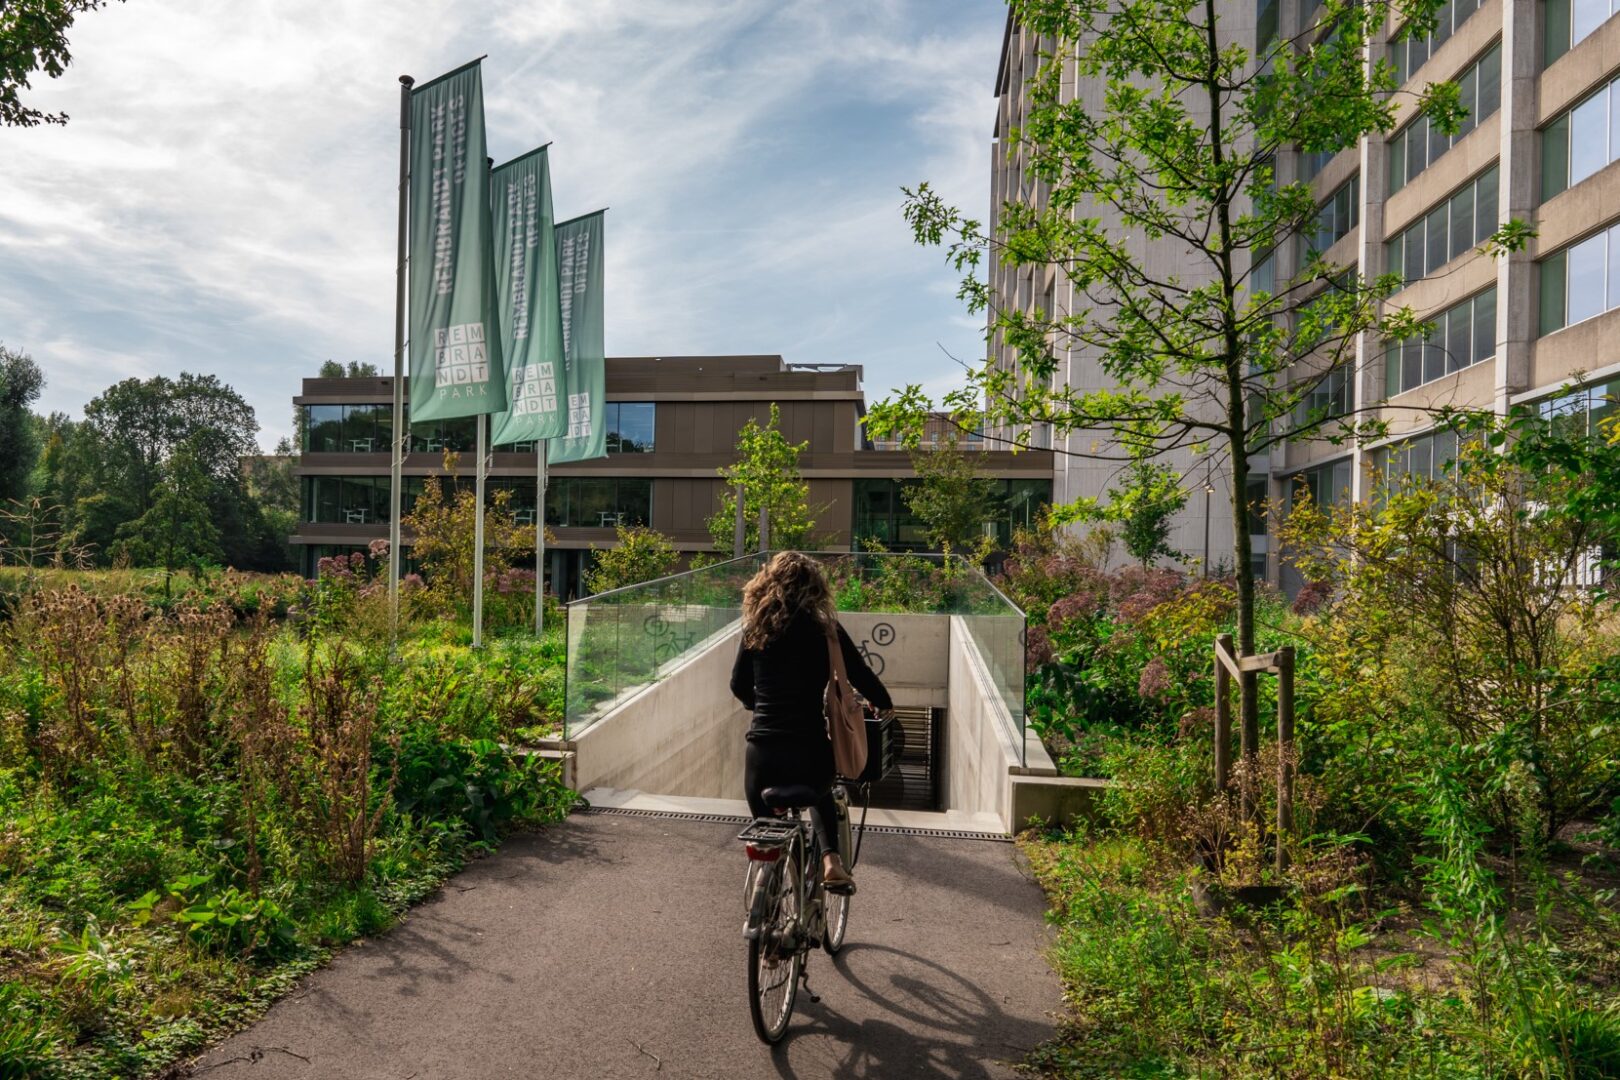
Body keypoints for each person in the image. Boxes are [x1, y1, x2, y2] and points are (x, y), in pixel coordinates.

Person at [730, 551, 893, 896]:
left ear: (768, 584)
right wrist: (885, 705)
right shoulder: (825, 630)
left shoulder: (756, 628)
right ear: (816, 588)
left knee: (766, 831)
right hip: (808, 748)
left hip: (762, 755)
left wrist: (759, 707)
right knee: (822, 794)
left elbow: (738, 686)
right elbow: (860, 675)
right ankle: (831, 860)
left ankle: (767, 905)